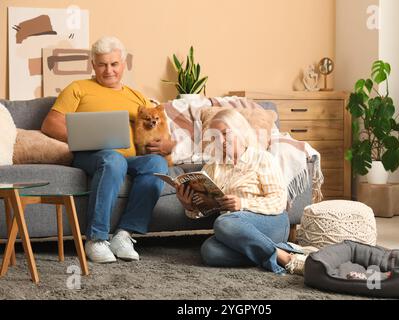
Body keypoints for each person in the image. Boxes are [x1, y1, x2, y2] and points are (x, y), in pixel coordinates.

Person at [41, 36, 176, 263]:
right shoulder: (78, 89)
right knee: (113, 160)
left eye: (114, 64)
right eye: (102, 64)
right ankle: (96, 238)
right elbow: (50, 124)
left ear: (123, 64)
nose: (108, 70)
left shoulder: (137, 97)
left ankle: (124, 234)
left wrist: (167, 145)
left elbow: (157, 127)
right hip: (92, 155)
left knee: (157, 164)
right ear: (93, 65)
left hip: (131, 158)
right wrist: (85, 139)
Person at [175, 109, 317, 275]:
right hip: (236, 229)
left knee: (223, 222)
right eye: (215, 137)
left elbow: (279, 201)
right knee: (210, 251)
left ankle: (288, 260)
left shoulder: (262, 159)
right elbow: (205, 208)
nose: (220, 141)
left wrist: (243, 204)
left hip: (271, 221)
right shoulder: (213, 167)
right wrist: (190, 205)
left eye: (225, 133)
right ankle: (279, 251)